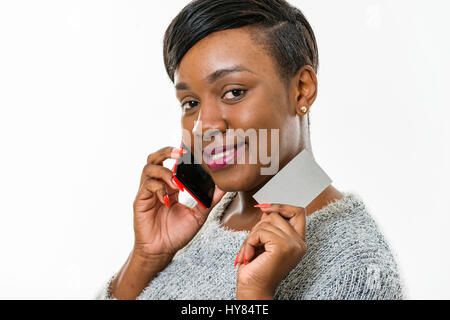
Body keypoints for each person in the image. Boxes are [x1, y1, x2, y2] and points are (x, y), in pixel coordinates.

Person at [96, 0, 404, 300]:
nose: (205, 126)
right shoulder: (202, 218)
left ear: (302, 90)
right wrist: (147, 257)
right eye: (191, 103)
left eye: (233, 92)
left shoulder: (359, 267)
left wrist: (255, 294)